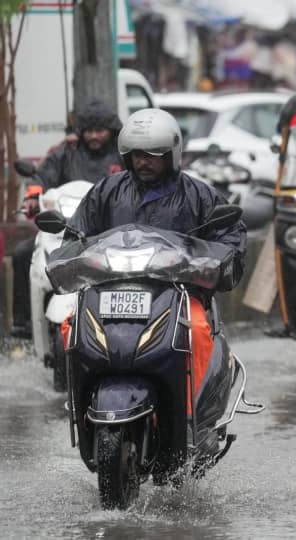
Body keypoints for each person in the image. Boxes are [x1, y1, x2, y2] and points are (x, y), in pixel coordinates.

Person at [61, 107, 247, 420]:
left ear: (171, 155)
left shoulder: (198, 195)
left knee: (198, 331)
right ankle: (81, 406)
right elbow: (77, 234)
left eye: (153, 154)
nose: (143, 161)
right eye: (136, 154)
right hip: (113, 294)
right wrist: (72, 257)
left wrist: (214, 262)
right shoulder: (107, 191)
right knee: (71, 325)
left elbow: (230, 236)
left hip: (176, 296)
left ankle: (193, 414)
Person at [10, 98, 123, 338]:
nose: (94, 136)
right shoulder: (65, 152)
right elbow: (40, 178)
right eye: (89, 131)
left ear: (111, 131)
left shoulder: (123, 154)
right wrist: (33, 197)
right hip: (64, 232)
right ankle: (23, 325)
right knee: (22, 254)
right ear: (80, 131)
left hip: (112, 232)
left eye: (100, 131)